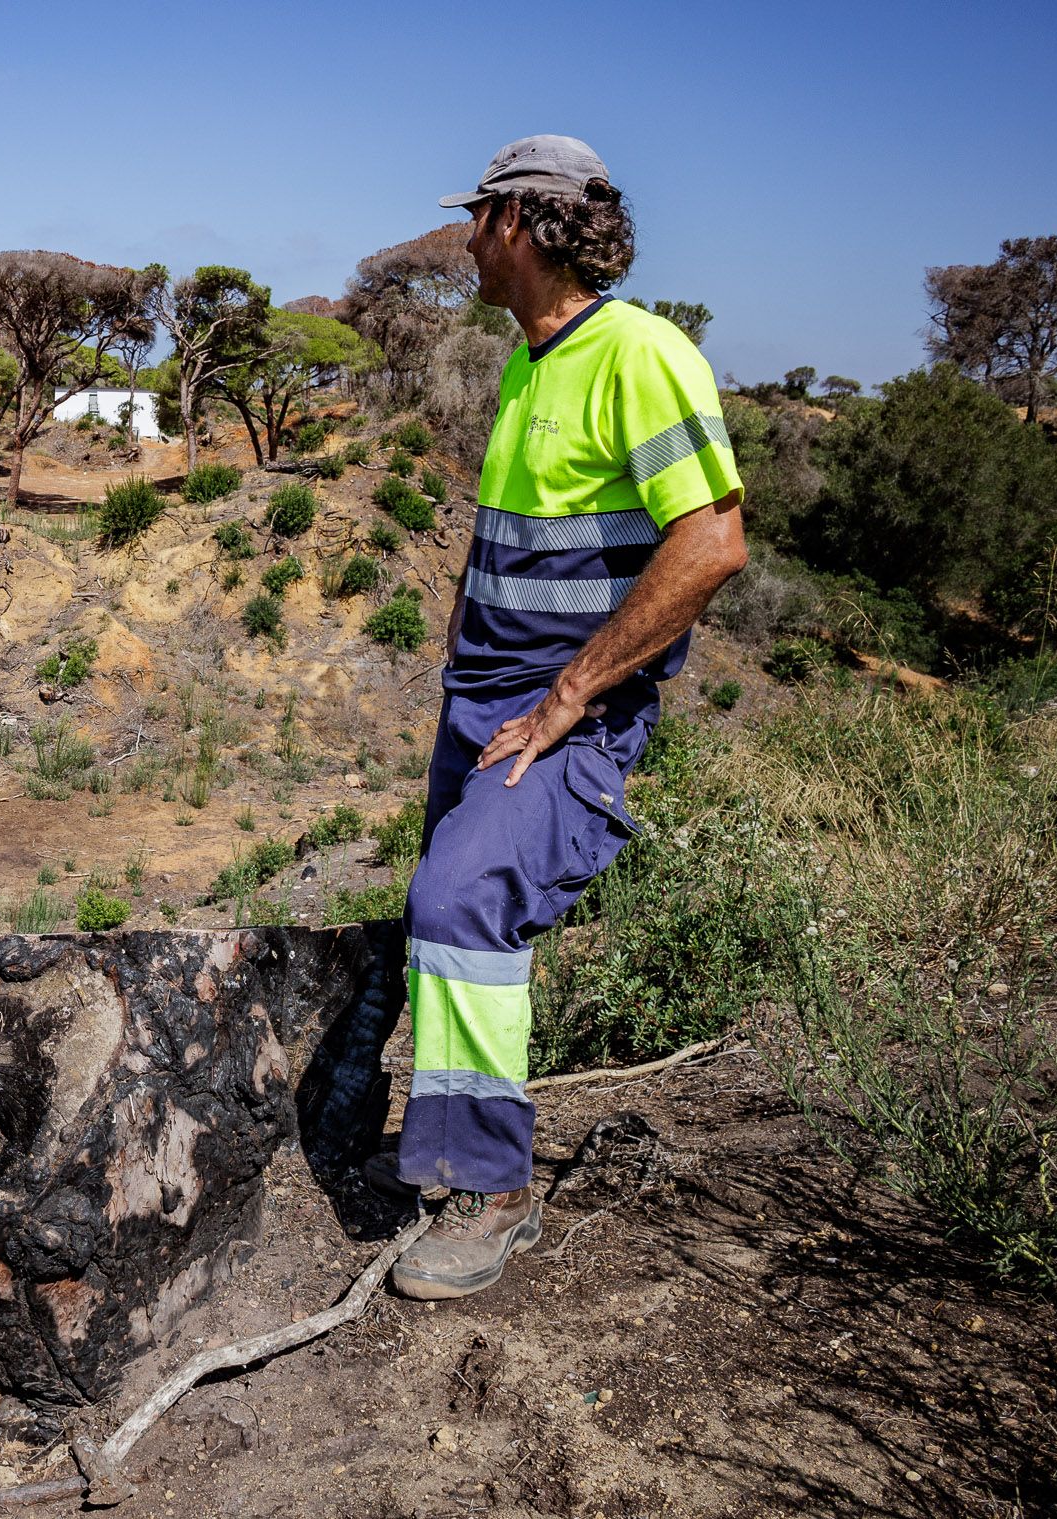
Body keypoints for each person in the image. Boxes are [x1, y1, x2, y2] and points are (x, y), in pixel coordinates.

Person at [376, 135, 750, 1300]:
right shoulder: (535, 360)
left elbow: (712, 541)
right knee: (441, 918)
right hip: (483, 705)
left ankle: (493, 1191)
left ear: (526, 225)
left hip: (561, 717)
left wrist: (571, 694)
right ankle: (429, 1142)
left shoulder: (639, 352)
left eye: (479, 214)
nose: (465, 236)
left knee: (457, 901)